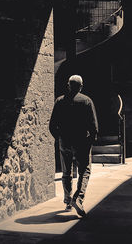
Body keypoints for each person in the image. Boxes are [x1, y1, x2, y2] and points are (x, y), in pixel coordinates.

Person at [49, 75, 98, 217]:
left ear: (68, 85)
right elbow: (93, 125)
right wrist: (91, 140)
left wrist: (59, 138)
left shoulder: (59, 101)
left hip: (65, 141)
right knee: (85, 170)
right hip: (81, 141)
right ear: (81, 86)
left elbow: (52, 125)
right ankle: (79, 198)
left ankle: (68, 201)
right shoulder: (86, 101)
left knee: (66, 172)